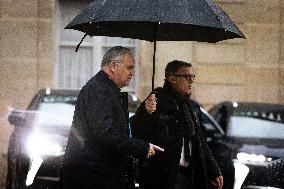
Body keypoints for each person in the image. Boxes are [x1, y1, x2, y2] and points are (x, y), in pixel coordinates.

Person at [61, 46, 163, 189]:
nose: (133, 73)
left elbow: (122, 129)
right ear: (114, 66)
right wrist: (141, 148)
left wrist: (144, 111)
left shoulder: (107, 90)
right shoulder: (98, 90)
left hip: (102, 175)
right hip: (95, 178)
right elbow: (105, 133)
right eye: (129, 68)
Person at [131, 60, 223, 189]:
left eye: (192, 77)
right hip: (162, 176)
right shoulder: (155, 101)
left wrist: (214, 170)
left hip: (189, 175)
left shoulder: (193, 107)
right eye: (187, 77)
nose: (191, 81)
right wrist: (146, 113)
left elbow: (201, 142)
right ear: (172, 79)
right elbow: (137, 130)